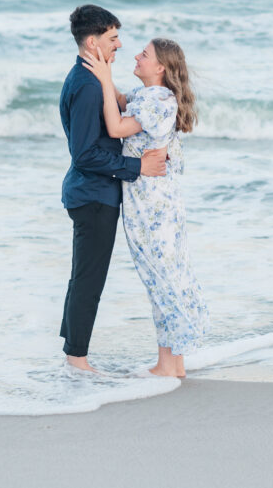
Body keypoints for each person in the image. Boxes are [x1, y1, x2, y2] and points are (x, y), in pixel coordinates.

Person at [82, 38, 210, 377]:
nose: (136, 56)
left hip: (153, 205)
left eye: (144, 54)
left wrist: (106, 75)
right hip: (152, 200)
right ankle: (172, 363)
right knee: (163, 275)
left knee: (161, 276)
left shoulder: (159, 99)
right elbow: (122, 101)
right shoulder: (150, 96)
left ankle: (169, 365)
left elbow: (116, 126)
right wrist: (104, 75)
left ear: (160, 68)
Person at [59, 5, 168, 373]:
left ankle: (73, 352)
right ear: (93, 42)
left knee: (83, 276)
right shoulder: (88, 86)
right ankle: (77, 359)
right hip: (93, 195)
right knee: (89, 279)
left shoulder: (86, 79)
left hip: (91, 193)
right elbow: (86, 154)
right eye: (112, 38)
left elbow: (124, 108)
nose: (120, 45)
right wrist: (138, 167)